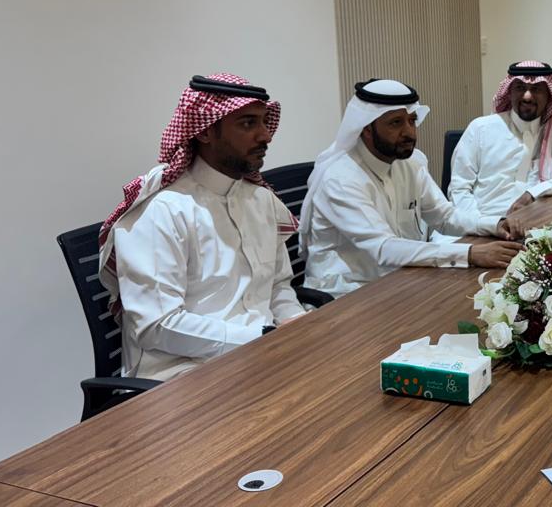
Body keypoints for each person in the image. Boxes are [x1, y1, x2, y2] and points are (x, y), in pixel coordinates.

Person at [99, 74, 306, 381]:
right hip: (183, 376)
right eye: (248, 123)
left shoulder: (261, 200)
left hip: (263, 356)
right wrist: (264, 339)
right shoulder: (161, 212)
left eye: (265, 122)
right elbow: (157, 326)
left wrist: (300, 328)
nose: (265, 135)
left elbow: (277, 287)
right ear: (206, 131)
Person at [301, 79, 523, 296]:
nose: (409, 132)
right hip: (346, 292)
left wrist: (494, 224)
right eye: (396, 123)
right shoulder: (340, 178)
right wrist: (471, 254)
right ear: (367, 129)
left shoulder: (409, 164)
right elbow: (383, 248)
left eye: (412, 120)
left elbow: (444, 217)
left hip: (399, 278)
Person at [449, 61, 552, 218]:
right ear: (509, 92)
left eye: (536, 89)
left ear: (549, 95)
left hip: (536, 223)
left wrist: (532, 193)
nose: (527, 96)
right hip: (483, 220)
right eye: (520, 88)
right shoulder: (480, 129)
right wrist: (479, 224)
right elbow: (458, 188)